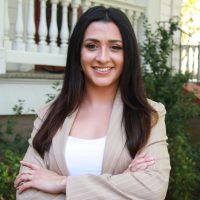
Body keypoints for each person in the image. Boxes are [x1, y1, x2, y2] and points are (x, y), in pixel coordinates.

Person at [14, 6, 170, 200]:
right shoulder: (49, 114)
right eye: (91, 46)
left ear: (127, 55)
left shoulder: (149, 115)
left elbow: (152, 189)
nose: (103, 58)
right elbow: (26, 191)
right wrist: (122, 181)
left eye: (115, 47)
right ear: (77, 53)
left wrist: (62, 183)